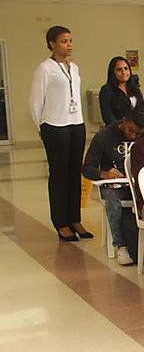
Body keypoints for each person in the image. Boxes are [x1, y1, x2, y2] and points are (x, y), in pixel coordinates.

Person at [30, 26, 91, 241]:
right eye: (64, 41)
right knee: (59, 175)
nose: (69, 44)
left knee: (75, 173)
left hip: (76, 124)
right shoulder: (45, 68)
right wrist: (40, 126)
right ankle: (61, 223)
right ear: (51, 44)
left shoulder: (73, 67)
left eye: (70, 40)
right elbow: (36, 101)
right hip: (54, 126)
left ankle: (75, 219)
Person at [82, 107, 144, 265]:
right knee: (113, 198)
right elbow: (87, 168)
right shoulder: (104, 137)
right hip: (114, 185)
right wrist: (104, 174)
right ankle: (121, 245)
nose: (133, 136)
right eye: (131, 131)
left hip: (137, 183)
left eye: (138, 134)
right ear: (124, 121)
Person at [99, 56, 144, 126]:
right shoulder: (107, 90)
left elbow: (142, 110)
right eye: (119, 70)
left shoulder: (135, 89)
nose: (123, 72)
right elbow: (107, 116)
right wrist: (123, 128)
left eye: (126, 69)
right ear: (113, 72)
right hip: (117, 130)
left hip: (137, 130)